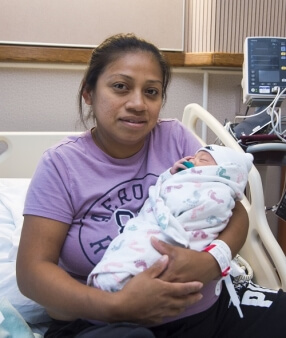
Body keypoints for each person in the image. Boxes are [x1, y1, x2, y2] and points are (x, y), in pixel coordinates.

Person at [16, 33, 286, 338]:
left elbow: (233, 211)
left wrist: (212, 261)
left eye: (152, 92)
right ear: (89, 92)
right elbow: (32, 272)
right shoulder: (61, 165)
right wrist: (114, 306)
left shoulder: (175, 139)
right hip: (103, 322)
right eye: (120, 87)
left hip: (209, 310)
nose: (137, 103)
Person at [87, 145, 253, 293]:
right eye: (193, 158)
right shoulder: (65, 162)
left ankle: (117, 279)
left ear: (223, 171)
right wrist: (170, 175)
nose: (192, 161)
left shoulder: (216, 189)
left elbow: (227, 209)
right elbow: (163, 191)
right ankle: (111, 280)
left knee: (147, 251)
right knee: (130, 244)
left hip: (174, 236)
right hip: (147, 225)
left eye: (200, 160)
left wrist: (214, 259)